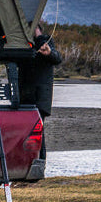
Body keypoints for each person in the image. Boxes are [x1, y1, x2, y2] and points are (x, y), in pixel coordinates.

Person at [20, 23, 62, 158]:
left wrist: (39, 37)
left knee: (38, 132)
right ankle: (31, 161)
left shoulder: (46, 43)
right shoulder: (23, 44)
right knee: (27, 131)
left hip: (40, 98)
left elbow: (57, 57)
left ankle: (40, 161)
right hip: (26, 96)